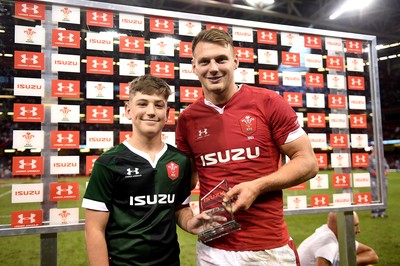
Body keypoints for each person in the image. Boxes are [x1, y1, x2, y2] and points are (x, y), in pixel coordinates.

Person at [176, 28, 319, 265]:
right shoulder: (187, 120)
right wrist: (183, 217)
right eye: (204, 61)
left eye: (221, 59)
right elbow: (183, 183)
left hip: (267, 248)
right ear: (194, 66)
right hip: (212, 249)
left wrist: (257, 186)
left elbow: (308, 162)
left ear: (235, 62)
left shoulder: (268, 102)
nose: (213, 68)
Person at [82, 75, 219, 266]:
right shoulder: (108, 162)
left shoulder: (180, 161)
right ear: (128, 110)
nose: (151, 112)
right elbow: (94, 228)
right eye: (142, 104)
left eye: (158, 105)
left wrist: (189, 222)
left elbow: (179, 207)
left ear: (168, 113)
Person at [297, 212, 379, 266]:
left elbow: (372, 255)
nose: (359, 230)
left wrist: (346, 262)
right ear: (341, 226)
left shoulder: (332, 233)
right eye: (355, 226)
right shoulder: (328, 244)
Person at [366, 147, 389, 218]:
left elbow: (387, 166)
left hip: (382, 179)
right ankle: (374, 211)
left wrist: (386, 171)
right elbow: (368, 167)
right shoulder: (369, 158)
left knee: (383, 194)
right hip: (374, 179)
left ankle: (382, 211)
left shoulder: (382, 158)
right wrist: (374, 173)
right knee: (374, 194)